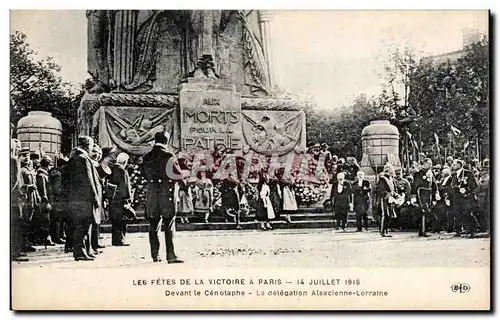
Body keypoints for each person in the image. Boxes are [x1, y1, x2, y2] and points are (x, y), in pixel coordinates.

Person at [142, 131, 184, 263]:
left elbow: (143, 174)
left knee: (153, 224)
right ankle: (171, 255)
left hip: (152, 193)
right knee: (169, 224)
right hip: (166, 193)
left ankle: (155, 255)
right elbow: (177, 175)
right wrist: (184, 185)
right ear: (166, 141)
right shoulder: (168, 155)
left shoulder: (147, 156)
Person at [67, 136, 102, 261]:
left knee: (87, 224)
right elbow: (88, 180)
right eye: (92, 145)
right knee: (83, 225)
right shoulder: (82, 158)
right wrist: (95, 197)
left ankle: (87, 250)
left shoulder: (78, 157)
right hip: (84, 198)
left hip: (81, 198)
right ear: (88, 145)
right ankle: (80, 252)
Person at [108, 152, 132, 246]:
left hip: (113, 199)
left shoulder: (112, 169)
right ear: (125, 161)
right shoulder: (122, 171)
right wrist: (128, 200)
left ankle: (115, 240)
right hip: (121, 200)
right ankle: (120, 240)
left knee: (115, 221)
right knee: (122, 221)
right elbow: (125, 187)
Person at [412, 158, 440, 237]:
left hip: (429, 194)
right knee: (424, 210)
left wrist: (436, 194)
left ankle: (424, 230)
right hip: (421, 194)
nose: (431, 165)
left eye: (431, 164)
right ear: (424, 164)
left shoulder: (431, 173)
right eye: (429, 163)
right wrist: (413, 197)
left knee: (429, 210)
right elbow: (415, 185)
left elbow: (434, 184)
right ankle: (422, 230)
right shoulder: (419, 173)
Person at [451, 159, 478, 237]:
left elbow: (474, 185)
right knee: (457, 214)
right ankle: (458, 231)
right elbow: (453, 186)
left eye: (454, 164)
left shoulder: (468, 173)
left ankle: (472, 231)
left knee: (467, 213)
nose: (453, 166)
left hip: (466, 197)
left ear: (459, 165)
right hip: (457, 197)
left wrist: (466, 189)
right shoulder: (454, 175)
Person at [11, 143, 29, 261]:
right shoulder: (13, 160)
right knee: (15, 226)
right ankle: (15, 253)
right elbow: (15, 181)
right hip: (14, 198)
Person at [35, 156, 55, 246]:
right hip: (44, 202)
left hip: (46, 201)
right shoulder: (41, 175)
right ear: (47, 165)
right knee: (45, 221)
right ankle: (45, 239)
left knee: (46, 221)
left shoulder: (44, 175)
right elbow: (43, 190)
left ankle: (45, 238)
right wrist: (46, 201)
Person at [48, 157, 67, 244]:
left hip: (54, 199)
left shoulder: (54, 172)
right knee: (57, 218)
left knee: (57, 218)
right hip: (57, 199)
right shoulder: (58, 174)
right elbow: (57, 189)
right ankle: (57, 237)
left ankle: (59, 236)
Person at [375, 164, 397, 237]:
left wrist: (395, 195)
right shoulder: (382, 179)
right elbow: (379, 190)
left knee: (390, 215)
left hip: (390, 199)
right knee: (385, 214)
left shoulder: (391, 178)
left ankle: (386, 230)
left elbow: (393, 189)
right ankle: (383, 231)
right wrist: (386, 194)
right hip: (383, 199)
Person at [435, 168, 453, 233]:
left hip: (448, 198)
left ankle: (450, 228)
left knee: (449, 214)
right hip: (441, 199)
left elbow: (449, 189)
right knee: (441, 213)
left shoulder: (451, 179)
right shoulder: (442, 180)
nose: (441, 174)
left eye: (443, 173)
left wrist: (447, 197)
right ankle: (441, 227)